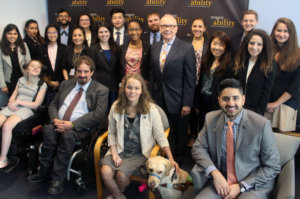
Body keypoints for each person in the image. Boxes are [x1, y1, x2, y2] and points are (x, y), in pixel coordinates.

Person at [27, 56, 109, 195]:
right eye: (79, 71)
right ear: (75, 72)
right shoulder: (66, 84)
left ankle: (57, 179)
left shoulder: (101, 90)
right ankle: (43, 171)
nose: (82, 75)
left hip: (80, 128)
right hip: (58, 123)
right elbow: (53, 104)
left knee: (67, 136)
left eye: (85, 72)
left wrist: (72, 124)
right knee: (48, 130)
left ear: (92, 72)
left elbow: (98, 115)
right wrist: (54, 120)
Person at [192, 78, 281, 199]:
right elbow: (198, 147)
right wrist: (215, 173)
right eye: (225, 99)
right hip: (221, 180)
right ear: (219, 100)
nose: (231, 103)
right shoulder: (211, 118)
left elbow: (273, 166)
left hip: (252, 183)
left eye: (236, 98)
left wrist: (241, 186)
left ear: (243, 99)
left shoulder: (261, 125)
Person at [101, 73, 179, 199]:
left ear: (142, 90)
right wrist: (114, 155)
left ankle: (115, 195)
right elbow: (111, 133)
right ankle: (119, 196)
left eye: (137, 88)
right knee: (105, 173)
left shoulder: (151, 109)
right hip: (120, 148)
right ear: (124, 88)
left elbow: (161, 136)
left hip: (140, 152)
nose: (132, 91)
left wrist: (171, 158)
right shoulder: (116, 106)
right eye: (129, 87)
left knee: (121, 176)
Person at [149, 14, 196, 161]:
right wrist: (150, 97)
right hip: (158, 98)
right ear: (160, 28)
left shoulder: (186, 48)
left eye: (171, 26)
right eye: (164, 26)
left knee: (179, 133)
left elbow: (190, 78)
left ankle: (177, 163)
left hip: (178, 100)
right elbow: (152, 74)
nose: (167, 29)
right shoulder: (155, 47)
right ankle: (162, 160)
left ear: (176, 28)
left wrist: (187, 103)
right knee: (159, 130)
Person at [0, 60, 47, 169]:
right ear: (27, 69)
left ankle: (3, 158)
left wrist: (19, 102)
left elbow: (36, 104)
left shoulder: (42, 85)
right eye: (32, 66)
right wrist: (11, 103)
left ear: (40, 71)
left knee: (7, 126)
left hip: (27, 108)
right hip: (14, 106)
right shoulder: (21, 80)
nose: (35, 68)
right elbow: (13, 95)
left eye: (38, 67)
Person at [194, 31, 232, 139]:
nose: (217, 47)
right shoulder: (206, 61)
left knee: (215, 134)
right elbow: (200, 83)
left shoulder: (230, 65)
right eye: (214, 43)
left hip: (217, 105)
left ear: (226, 47)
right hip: (202, 103)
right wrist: (197, 103)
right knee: (202, 131)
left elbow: (228, 89)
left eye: (221, 45)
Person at [266, 18, 300, 132]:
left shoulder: (298, 54)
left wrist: (275, 104)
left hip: (285, 105)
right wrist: (266, 103)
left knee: (279, 142)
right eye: (279, 30)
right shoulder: (266, 50)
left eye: (285, 31)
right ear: (274, 31)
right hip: (265, 104)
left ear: (291, 34)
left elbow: (295, 86)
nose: (281, 34)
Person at [234, 29, 276, 115]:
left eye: (259, 44)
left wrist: (259, 114)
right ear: (246, 44)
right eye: (252, 43)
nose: (254, 47)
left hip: (255, 111)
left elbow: (266, 93)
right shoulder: (240, 60)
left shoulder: (269, 64)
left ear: (264, 46)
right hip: (236, 108)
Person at [186, 17, 210, 147]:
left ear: (204, 28)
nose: (197, 29)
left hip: (203, 83)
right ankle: (192, 136)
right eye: (195, 26)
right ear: (191, 27)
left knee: (201, 111)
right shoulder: (185, 42)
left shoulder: (209, 43)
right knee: (190, 113)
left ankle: (202, 138)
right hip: (188, 83)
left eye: (200, 26)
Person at [90, 23, 120, 111]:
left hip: (114, 86)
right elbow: (92, 69)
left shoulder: (116, 47)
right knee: (101, 110)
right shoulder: (93, 49)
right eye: (101, 32)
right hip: (100, 86)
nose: (104, 34)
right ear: (97, 34)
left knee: (114, 110)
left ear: (110, 33)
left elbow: (118, 68)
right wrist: (94, 86)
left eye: (106, 31)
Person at [0, 24, 31, 99]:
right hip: (9, 81)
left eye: (15, 34)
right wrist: (2, 85)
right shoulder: (1, 48)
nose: (12, 36)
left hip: (23, 79)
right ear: (5, 34)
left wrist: (30, 79)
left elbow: (29, 64)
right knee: (13, 102)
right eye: (9, 33)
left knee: (25, 100)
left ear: (18, 34)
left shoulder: (23, 45)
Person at [40, 24, 66, 105]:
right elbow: (40, 67)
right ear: (46, 34)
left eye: (54, 32)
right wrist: (49, 82)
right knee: (49, 105)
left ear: (58, 33)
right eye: (49, 33)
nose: (52, 35)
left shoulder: (64, 48)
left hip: (61, 83)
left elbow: (65, 67)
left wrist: (59, 81)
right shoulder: (41, 48)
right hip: (47, 83)